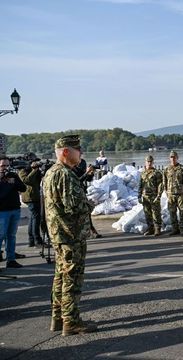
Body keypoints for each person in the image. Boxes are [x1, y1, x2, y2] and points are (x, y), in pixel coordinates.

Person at [43, 135, 97, 335]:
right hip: (70, 235)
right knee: (71, 280)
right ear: (66, 152)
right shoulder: (65, 174)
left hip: (59, 234)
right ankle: (71, 321)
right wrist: (90, 204)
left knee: (60, 277)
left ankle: (58, 318)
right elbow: (73, 206)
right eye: (78, 149)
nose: (81, 153)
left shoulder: (51, 172)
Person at [0, 156, 27, 268]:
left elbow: (23, 188)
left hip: (15, 209)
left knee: (11, 236)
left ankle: (11, 259)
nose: (5, 168)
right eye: (2, 166)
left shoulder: (13, 176)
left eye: (7, 165)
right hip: (2, 211)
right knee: (1, 236)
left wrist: (14, 182)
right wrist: (6, 184)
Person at [72, 155, 102, 239]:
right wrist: (86, 173)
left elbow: (87, 179)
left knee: (86, 212)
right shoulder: (69, 169)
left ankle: (92, 231)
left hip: (81, 192)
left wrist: (90, 174)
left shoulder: (80, 166)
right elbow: (77, 180)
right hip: (74, 195)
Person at [163, 150, 183, 235]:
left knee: (182, 211)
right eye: (171, 157)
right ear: (169, 158)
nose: (173, 159)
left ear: (177, 158)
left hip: (180, 194)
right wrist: (166, 192)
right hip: (171, 194)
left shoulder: (182, 168)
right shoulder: (167, 169)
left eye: (174, 157)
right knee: (172, 212)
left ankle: (182, 228)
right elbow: (164, 181)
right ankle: (175, 229)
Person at [19, 159, 44, 247]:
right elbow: (26, 180)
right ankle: (37, 240)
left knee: (32, 219)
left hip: (35, 197)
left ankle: (32, 240)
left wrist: (40, 170)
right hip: (30, 198)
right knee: (35, 219)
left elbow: (39, 181)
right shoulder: (22, 171)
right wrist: (34, 170)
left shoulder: (34, 171)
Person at [138, 155, 163, 236]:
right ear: (145, 162)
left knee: (156, 213)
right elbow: (140, 185)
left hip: (154, 196)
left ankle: (157, 229)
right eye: (147, 162)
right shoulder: (143, 173)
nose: (149, 163)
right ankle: (150, 228)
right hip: (145, 197)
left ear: (153, 162)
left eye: (150, 162)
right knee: (147, 214)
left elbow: (160, 186)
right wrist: (139, 196)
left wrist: (158, 196)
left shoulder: (157, 173)